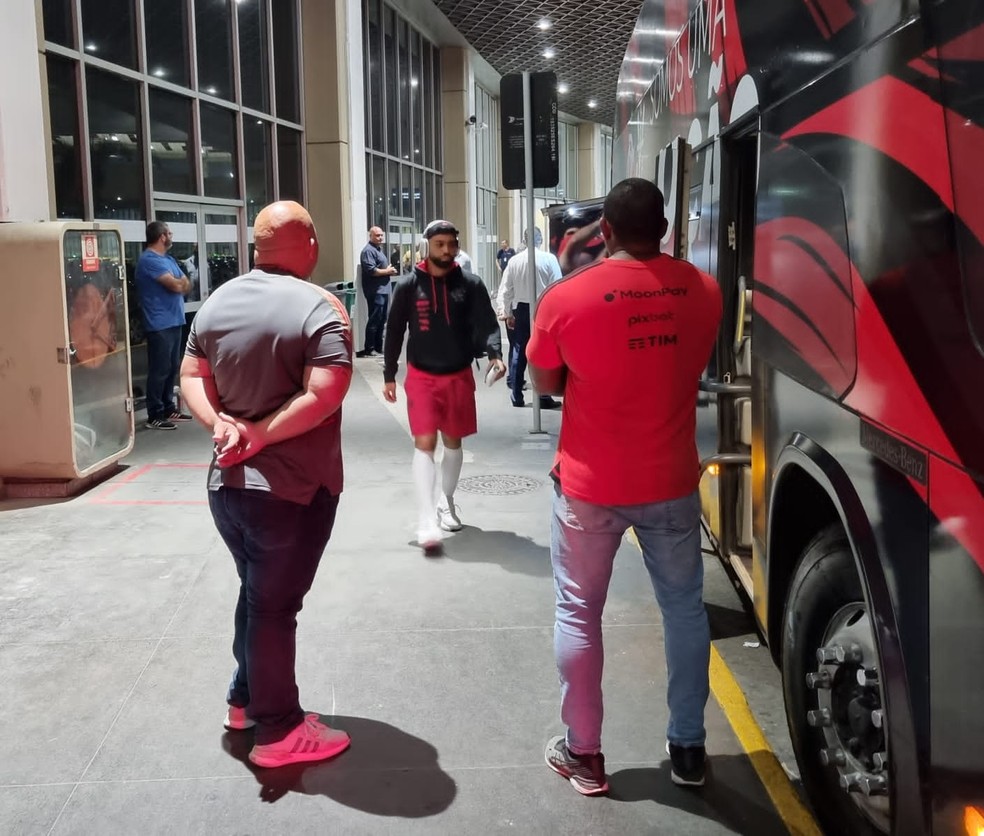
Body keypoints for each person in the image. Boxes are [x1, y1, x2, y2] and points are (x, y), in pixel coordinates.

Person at [527, 178, 722, 795]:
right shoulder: (704, 289)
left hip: (589, 485)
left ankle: (584, 754)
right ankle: (688, 747)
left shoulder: (567, 298)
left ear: (603, 231)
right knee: (684, 610)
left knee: (579, 613)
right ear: (664, 229)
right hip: (669, 481)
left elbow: (544, 383)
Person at [179, 200, 354, 769]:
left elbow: (190, 376)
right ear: (309, 247)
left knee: (257, 596)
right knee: (275, 609)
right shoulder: (321, 307)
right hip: (292, 491)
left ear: (257, 247)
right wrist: (260, 434)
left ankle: (243, 699)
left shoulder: (215, 302)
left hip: (226, 486)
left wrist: (223, 425)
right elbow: (326, 393)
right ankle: (278, 731)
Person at [382, 219, 505, 552]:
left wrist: (495, 354)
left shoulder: (471, 284)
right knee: (425, 442)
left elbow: (487, 323)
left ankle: (445, 501)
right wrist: (389, 373)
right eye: (440, 244)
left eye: (452, 244)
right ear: (428, 246)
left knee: (453, 443)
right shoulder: (407, 286)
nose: (447, 250)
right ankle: (426, 518)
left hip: (458, 373)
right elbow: (393, 331)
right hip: (420, 376)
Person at [496, 228, 562, 409]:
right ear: (540, 239)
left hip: (521, 309)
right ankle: (543, 395)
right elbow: (557, 287)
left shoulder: (514, 261)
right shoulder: (549, 259)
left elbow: (506, 289)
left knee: (519, 350)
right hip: (543, 308)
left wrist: (507, 312)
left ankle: (516, 394)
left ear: (524, 240)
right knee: (544, 350)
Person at [135, 221, 193, 430]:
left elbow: (185, 284)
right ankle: (155, 414)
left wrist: (180, 283)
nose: (171, 235)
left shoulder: (168, 259)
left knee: (171, 367)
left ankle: (169, 407)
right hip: (159, 323)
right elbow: (177, 284)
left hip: (174, 320)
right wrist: (179, 283)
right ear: (161, 237)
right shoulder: (149, 260)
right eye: (169, 232)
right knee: (159, 369)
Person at [359, 227, 398, 357]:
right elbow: (371, 270)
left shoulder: (379, 250)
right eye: (377, 235)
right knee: (375, 319)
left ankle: (378, 347)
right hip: (375, 291)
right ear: (370, 236)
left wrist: (388, 270)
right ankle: (369, 349)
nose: (380, 238)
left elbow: (380, 268)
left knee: (382, 319)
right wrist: (387, 271)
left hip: (384, 289)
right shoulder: (368, 251)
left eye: (381, 235)